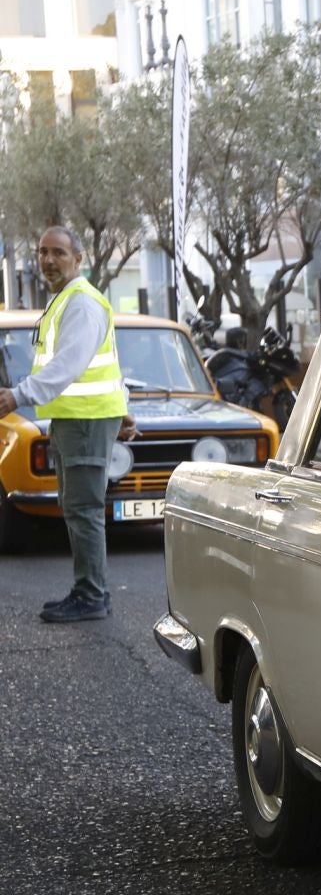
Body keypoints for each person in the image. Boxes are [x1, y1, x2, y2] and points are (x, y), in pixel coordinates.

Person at [0, 227, 133, 622]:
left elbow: (69, 365)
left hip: (85, 421)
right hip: (78, 418)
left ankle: (91, 596)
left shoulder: (81, 303)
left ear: (78, 258)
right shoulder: (66, 300)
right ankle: (88, 590)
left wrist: (17, 396)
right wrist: (122, 408)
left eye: (58, 252)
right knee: (76, 507)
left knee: (84, 508)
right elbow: (103, 363)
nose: (48, 260)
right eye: (43, 252)